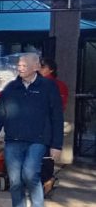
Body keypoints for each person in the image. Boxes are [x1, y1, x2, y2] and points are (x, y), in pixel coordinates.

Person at [0, 53, 64, 207]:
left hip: (38, 140)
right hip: (13, 140)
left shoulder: (48, 87)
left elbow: (57, 116)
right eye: (19, 65)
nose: (20, 68)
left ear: (36, 66)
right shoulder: (11, 88)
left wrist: (56, 145)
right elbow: (0, 114)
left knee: (30, 174)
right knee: (14, 179)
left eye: (24, 65)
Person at [38, 58, 68, 188]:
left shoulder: (57, 85)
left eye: (43, 67)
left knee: (46, 155)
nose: (40, 69)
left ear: (51, 69)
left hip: (47, 124)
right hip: (37, 124)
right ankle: (43, 181)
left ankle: (46, 181)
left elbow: (58, 108)